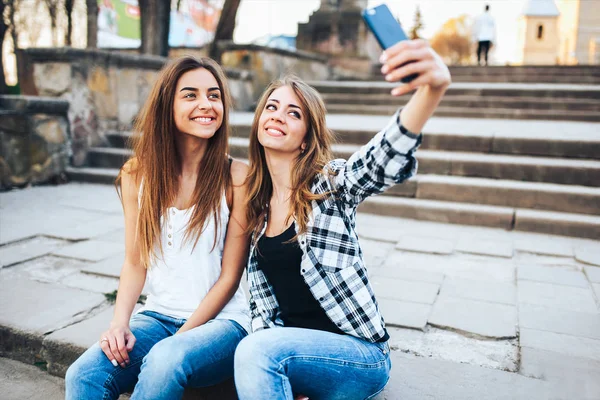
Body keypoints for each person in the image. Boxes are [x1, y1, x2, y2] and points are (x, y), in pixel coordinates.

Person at [233, 39, 451, 399]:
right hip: (300, 354)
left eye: (294, 113)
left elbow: (376, 162)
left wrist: (431, 91)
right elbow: (264, 312)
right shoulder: (257, 213)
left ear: (306, 139)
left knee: (256, 350)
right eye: (271, 107)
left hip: (359, 356)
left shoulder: (328, 186)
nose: (277, 115)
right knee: (255, 344)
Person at [65, 56, 250, 399]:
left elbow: (230, 278)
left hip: (224, 324)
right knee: (84, 374)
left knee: (165, 360)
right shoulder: (137, 174)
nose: (206, 104)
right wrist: (119, 323)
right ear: (168, 105)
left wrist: (182, 338)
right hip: (158, 316)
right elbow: (136, 261)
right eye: (190, 95)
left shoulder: (236, 177)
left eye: (214, 95)